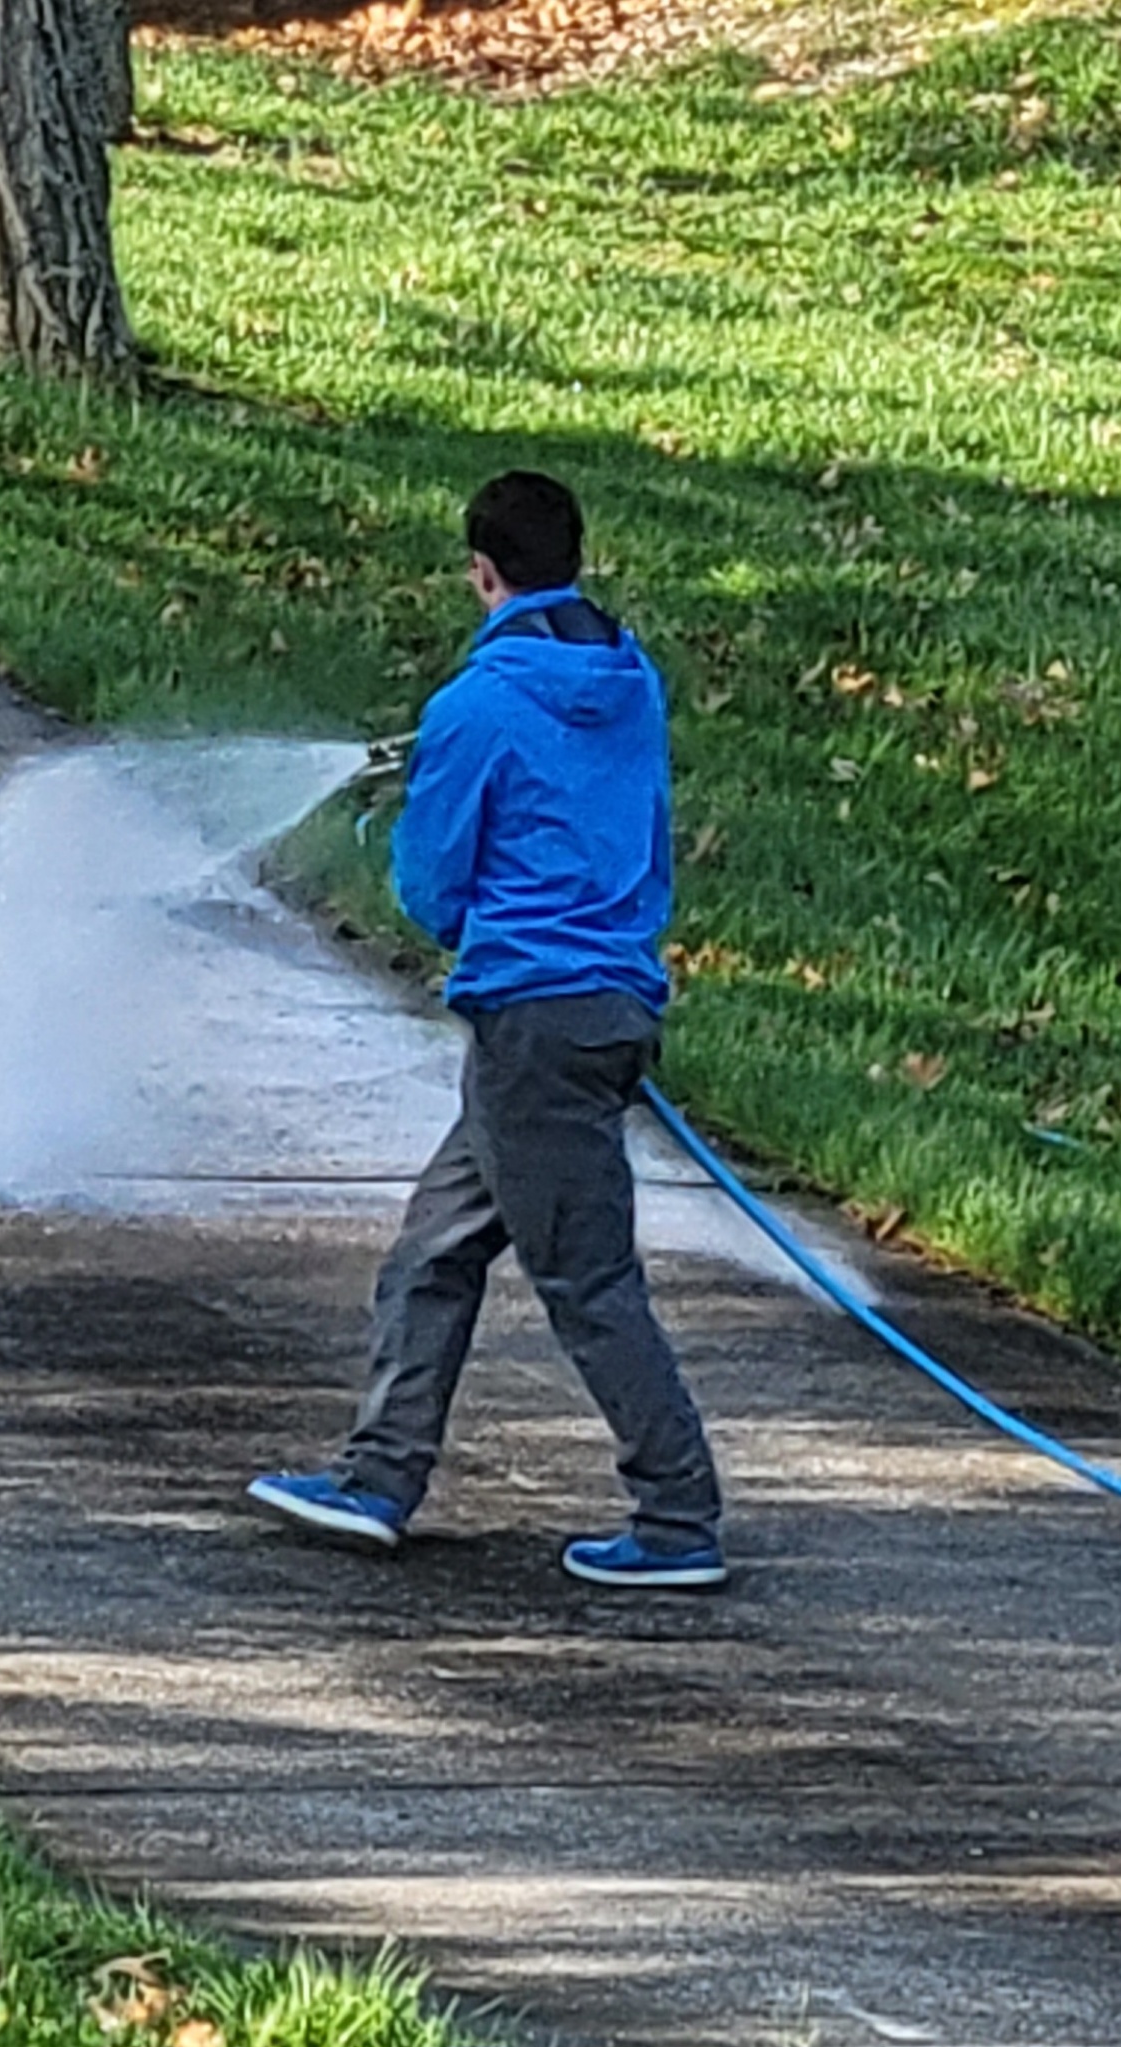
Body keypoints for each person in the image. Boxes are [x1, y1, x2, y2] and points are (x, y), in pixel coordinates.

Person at [249, 470, 726, 1589]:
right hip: (603, 1009)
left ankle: (677, 1516)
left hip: (533, 1030)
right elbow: (641, 833)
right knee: (433, 1252)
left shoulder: (472, 707)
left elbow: (432, 893)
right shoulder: (632, 677)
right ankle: (377, 1478)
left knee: (588, 1281)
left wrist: (422, 808)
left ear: (480, 572)